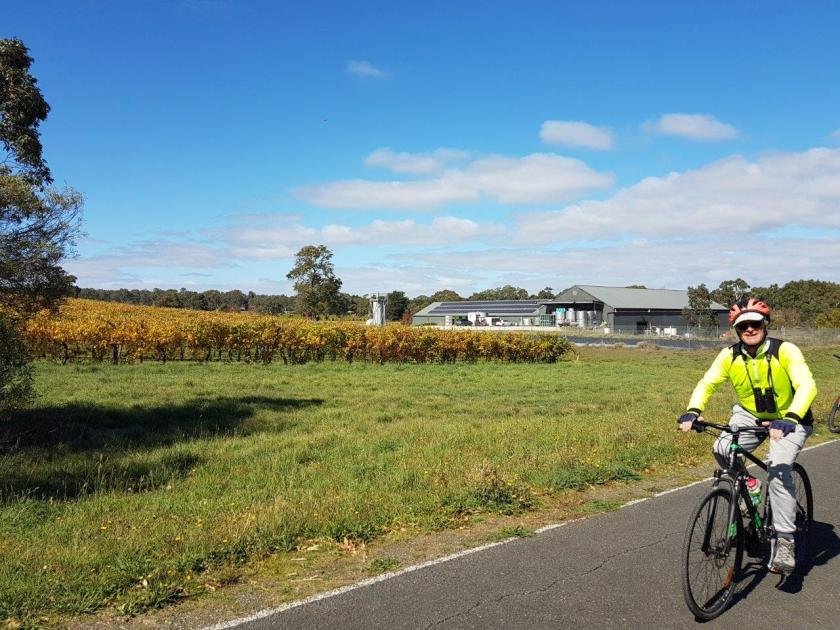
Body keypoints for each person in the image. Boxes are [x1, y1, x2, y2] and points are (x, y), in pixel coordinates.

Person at [678, 297, 817, 574]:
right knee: (721, 447)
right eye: (744, 327)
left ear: (764, 324)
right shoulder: (729, 355)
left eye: (755, 324)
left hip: (790, 419)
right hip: (750, 415)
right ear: (736, 330)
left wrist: (790, 418)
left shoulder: (785, 350)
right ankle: (750, 486)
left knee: (778, 471)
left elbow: (807, 385)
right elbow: (707, 383)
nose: (750, 330)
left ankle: (785, 541)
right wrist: (693, 410)